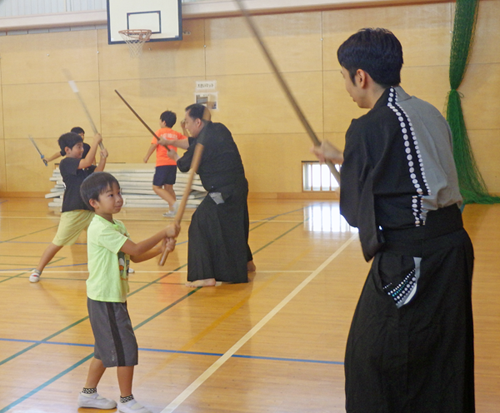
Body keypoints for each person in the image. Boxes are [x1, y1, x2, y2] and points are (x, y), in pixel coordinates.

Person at [312, 28, 474, 412]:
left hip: (413, 259)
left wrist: (350, 168)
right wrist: (344, 159)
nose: (346, 86)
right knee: (442, 352)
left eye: (344, 76)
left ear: (361, 76)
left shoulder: (367, 127)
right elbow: (409, 168)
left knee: (373, 357)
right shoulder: (427, 110)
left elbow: (355, 213)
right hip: (452, 248)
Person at [77, 171, 179, 413]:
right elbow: (134, 247)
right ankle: (126, 400)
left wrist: (161, 249)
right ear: (94, 203)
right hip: (105, 298)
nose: (118, 198)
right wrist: (162, 233)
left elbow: (133, 255)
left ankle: (87, 395)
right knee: (125, 349)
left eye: (119, 192)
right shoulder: (100, 228)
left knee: (104, 349)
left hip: (112, 296)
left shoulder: (116, 224)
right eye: (110, 195)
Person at [165, 104, 255, 287]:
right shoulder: (219, 129)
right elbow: (192, 144)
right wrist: (171, 142)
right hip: (239, 187)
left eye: (188, 122)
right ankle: (246, 263)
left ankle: (203, 276)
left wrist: (174, 156)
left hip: (222, 193)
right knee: (234, 224)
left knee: (200, 222)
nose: (186, 126)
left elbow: (184, 164)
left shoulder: (203, 141)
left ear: (198, 122)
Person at [29, 132, 107, 283]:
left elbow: (97, 173)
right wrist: (96, 142)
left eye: (82, 147)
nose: (82, 149)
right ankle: (37, 270)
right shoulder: (67, 163)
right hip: (73, 210)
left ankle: (121, 265)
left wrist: (103, 158)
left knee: (108, 234)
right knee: (58, 242)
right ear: (67, 150)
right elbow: (87, 162)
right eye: (79, 147)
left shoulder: (84, 167)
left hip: (90, 211)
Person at [143, 111, 187, 217]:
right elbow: (188, 140)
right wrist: (183, 128)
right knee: (169, 188)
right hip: (173, 164)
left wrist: (146, 157)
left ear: (163, 122)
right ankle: (173, 211)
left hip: (162, 164)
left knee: (156, 187)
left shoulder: (159, 132)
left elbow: (153, 145)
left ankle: (173, 203)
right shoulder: (176, 133)